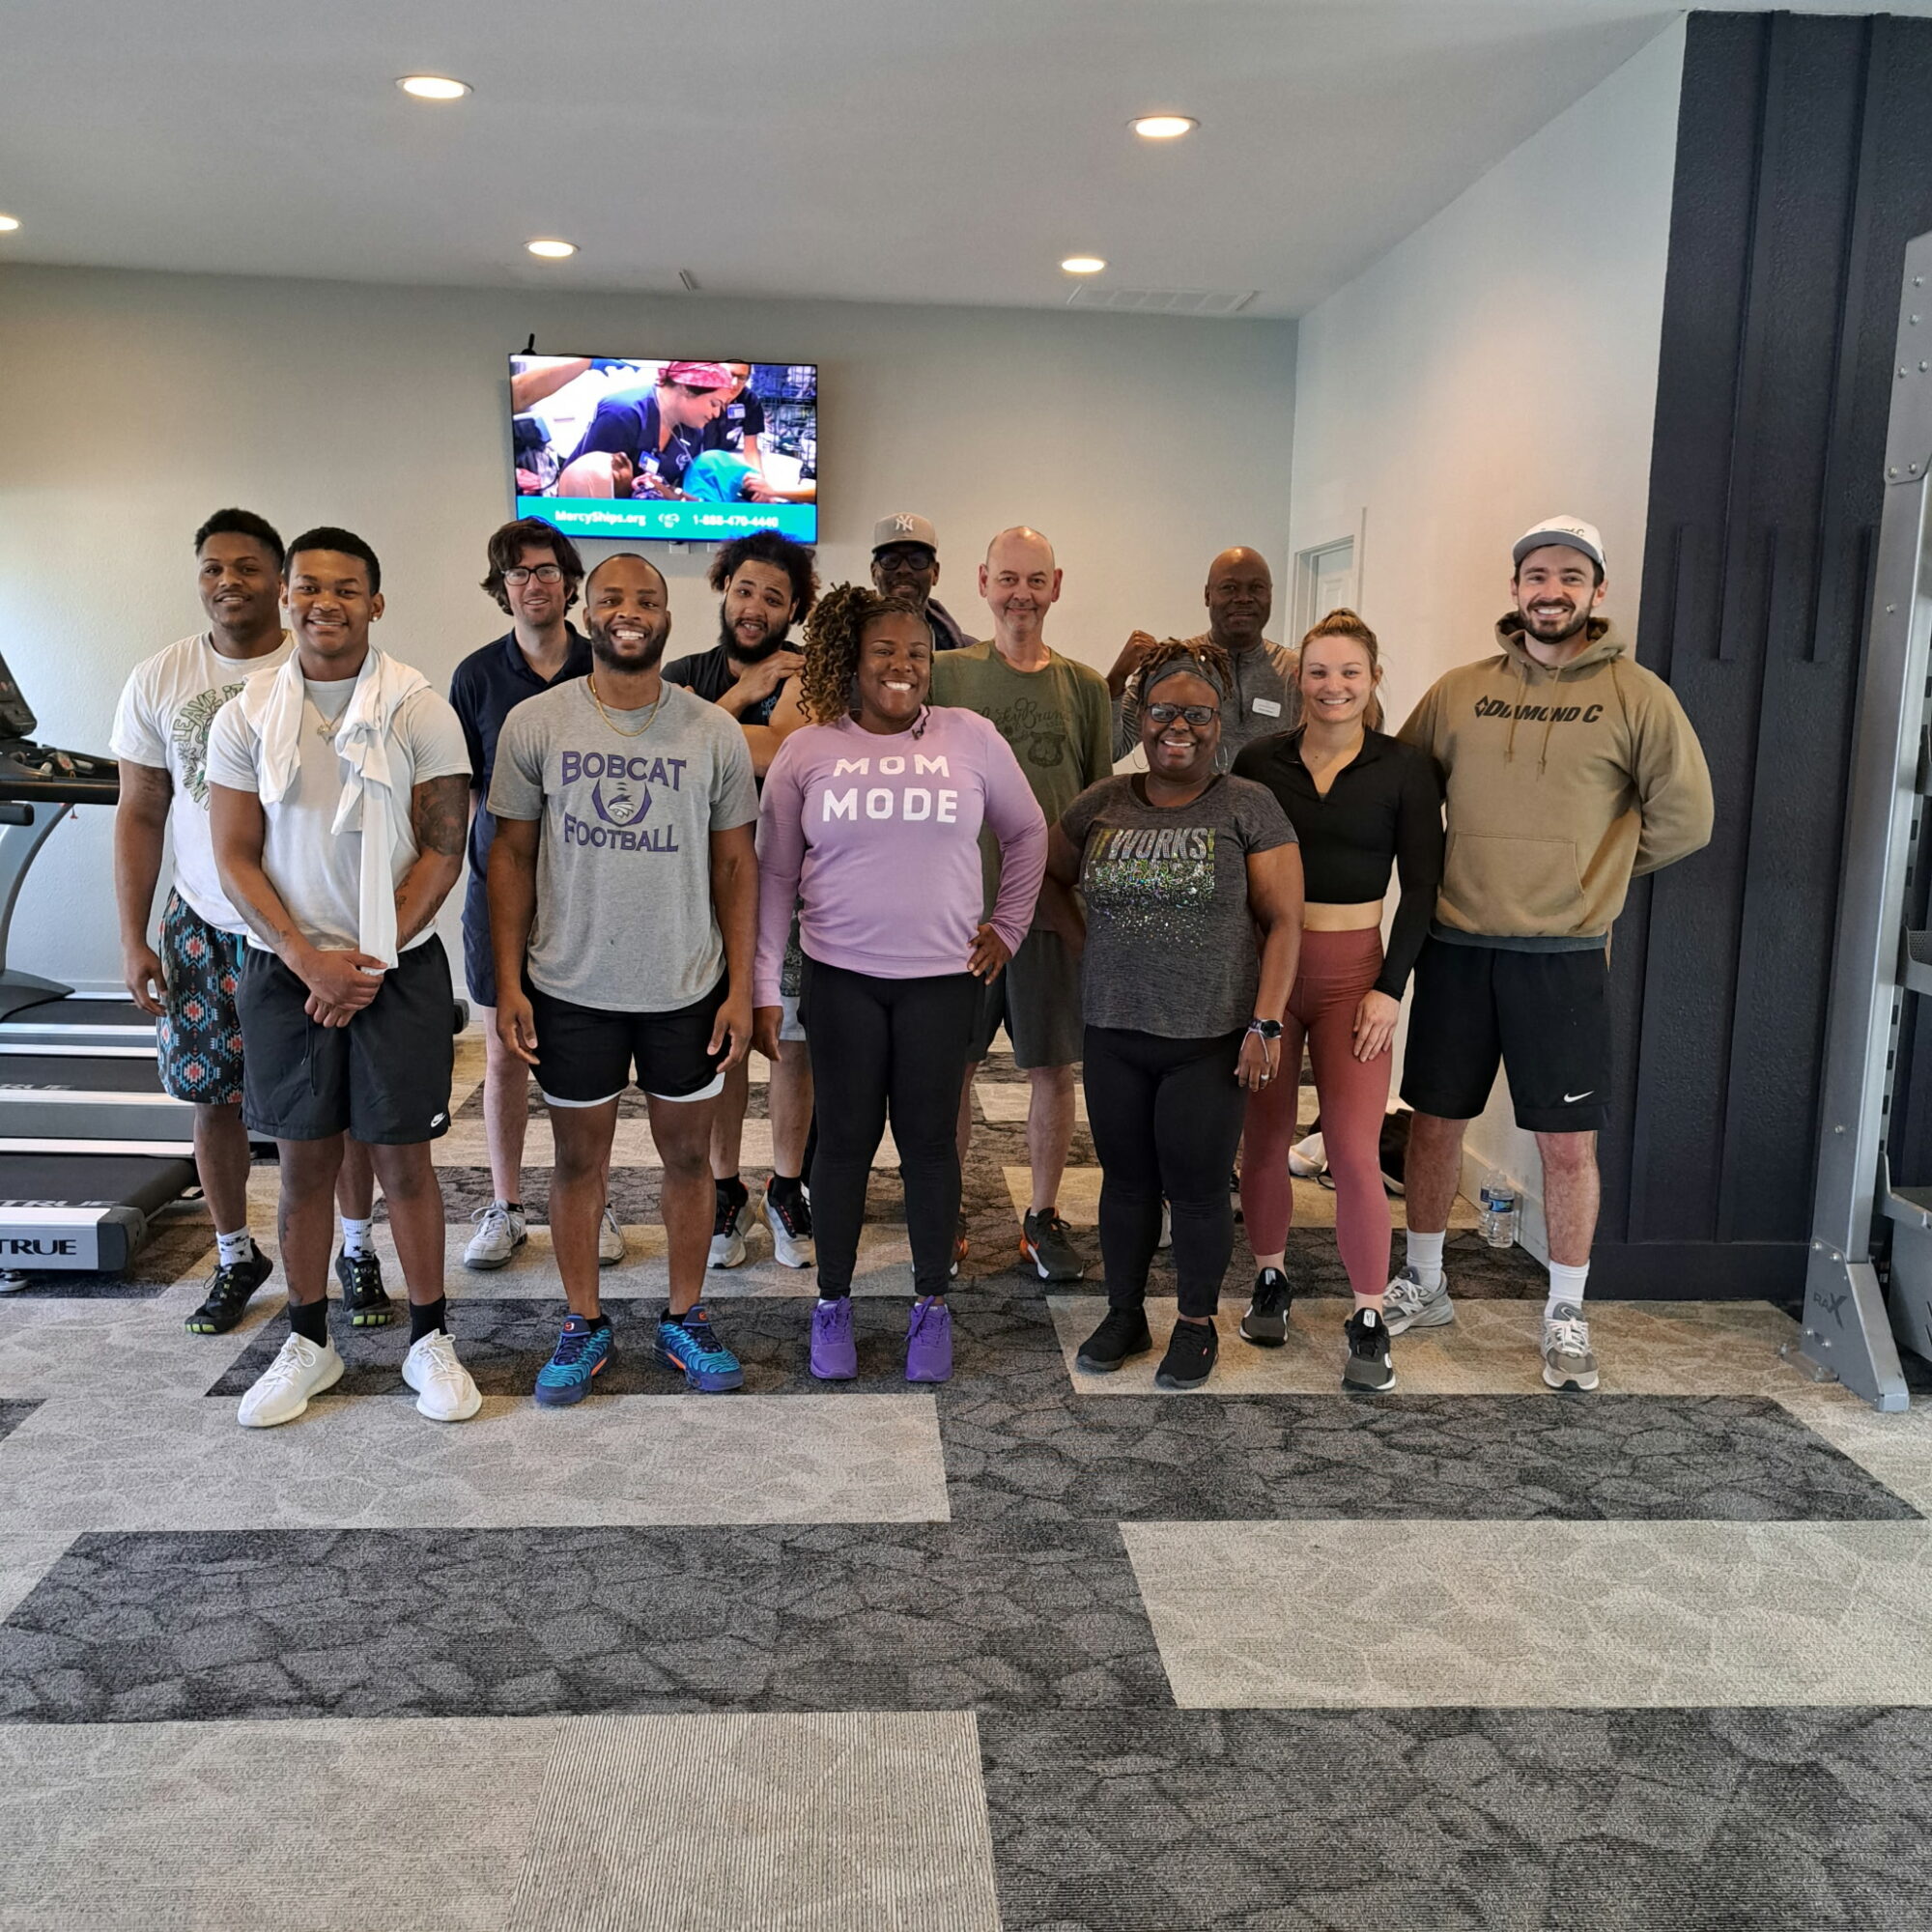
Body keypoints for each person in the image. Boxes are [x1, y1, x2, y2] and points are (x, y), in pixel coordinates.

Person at [1390, 517, 1714, 1391]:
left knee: (1567, 1147)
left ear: (1596, 592)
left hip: (1562, 957)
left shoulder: (1638, 696)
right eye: (1537, 574)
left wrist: (1592, 879)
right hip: (1456, 946)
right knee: (1433, 1123)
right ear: (1516, 589)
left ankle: (1566, 1310)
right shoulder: (1458, 693)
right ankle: (1424, 1281)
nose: (1552, 590)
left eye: (1571, 576)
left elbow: (1687, 817)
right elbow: (1406, 795)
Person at [207, 526, 480, 1428]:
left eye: (347, 588)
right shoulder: (245, 713)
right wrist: (305, 960)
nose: (326, 601)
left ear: (376, 603)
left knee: (404, 1162)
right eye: (310, 586)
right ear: (287, 595)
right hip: (288, 968)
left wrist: (363, 962)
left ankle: (429, 1339)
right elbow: (235, 857)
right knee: (302, 1169)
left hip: (391, 968)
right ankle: (310, 1340)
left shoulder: (419, 707)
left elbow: (443, 853)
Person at [755, 583, 1046, 1382]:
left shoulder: (971, 738)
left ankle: (929, 1307)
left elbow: (1026, 833)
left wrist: (1008, 928)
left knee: (929, 1149)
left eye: (916, 654)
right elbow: (775, 878)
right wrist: (761, 987)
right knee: (843, 1146)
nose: (902, 667)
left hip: (941, 984)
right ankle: (833, 1303)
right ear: (850, 661)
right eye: (884, 652)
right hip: (840, 979)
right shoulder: (808, 750)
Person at [112, 509, 391, 1337]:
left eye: (246, 568)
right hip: (205, 921)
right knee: (214, 1098)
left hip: (318, 926)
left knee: (342, 1106)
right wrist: (134, 936)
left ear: (281, 581)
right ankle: (236, 1253)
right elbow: (140, 811)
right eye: (210, 568)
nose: (227, 582)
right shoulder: (159, 678)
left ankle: (356, 1248)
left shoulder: (329, 665)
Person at [488, 553, 759, 1404]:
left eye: (647, 600)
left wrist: (742, 990)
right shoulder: (536, 723)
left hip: (686, 985)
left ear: (669, 617)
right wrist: (509, 983)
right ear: (584, 608)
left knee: (689, 1157)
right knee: (579, 1163)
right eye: (612, 598)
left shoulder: (712, 730)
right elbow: (511, 859)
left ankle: (686, 1315)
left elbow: (737, 868)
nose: (629, 611)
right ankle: (582, 1321)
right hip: (571, 984)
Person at [1048, 639, 1302, 1391]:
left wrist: (1266, 1023)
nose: (1177, 727)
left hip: (1210, 1035)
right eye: (1163, 712)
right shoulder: (1103, 801)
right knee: (1124, 1182)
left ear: (1219, 722)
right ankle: (1124, 1313)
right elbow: (1048, 880)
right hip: (1116, 1030)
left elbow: (1285, 921)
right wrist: (1094, 948)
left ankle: (1195, 1324)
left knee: (1193, 1186)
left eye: (1196, 714)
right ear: (1143, 717)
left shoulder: (1247, 805)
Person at [1232, 610, 1443, 1391]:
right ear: (1299, 680)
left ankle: (1367, 1315)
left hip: (1358, 973)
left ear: (1373, 680)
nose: (1334, 686)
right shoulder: (1259, 759)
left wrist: (1392, 989)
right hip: (1272, 973)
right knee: (1265, 1139)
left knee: (1353, 1151)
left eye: (1350, 672)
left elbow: (1422, 889)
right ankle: (1271, 1278)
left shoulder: (1404, 768)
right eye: (1319, 672)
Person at [930, 526, 1112, 1281]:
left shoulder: (1085, 686)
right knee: (954, 1071)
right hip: (958, 914)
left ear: (1057, 585)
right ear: (981, 582)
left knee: (1051, 1070)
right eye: (1008, 579)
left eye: (1035, 580)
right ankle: (942, 1211)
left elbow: (1099, 808)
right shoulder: (946, 674)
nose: (1021, 595)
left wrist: (1090, 916)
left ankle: (1042, 1216)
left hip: (1048, 915)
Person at [449, 519, 627, 1273]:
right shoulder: (477, 677)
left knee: (593, 1058)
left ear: (569, 581)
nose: (535, 583)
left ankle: (597, 1199)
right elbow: (458, 797)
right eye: (519, 574)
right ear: (502, 589)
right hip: (503, 895)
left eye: (548, 570)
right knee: (506, 1050)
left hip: (593, 895)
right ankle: (507, 1204)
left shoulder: (609, 665)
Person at [664, 530, 820, 1272]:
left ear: (795, 610)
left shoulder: (809, 671)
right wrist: (746, 698)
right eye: (746, 590)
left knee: (790, 1040)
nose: (757, 607)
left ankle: (787, 1186)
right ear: (723, 587)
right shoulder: (681, 672)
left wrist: (710, 722)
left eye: (775, 597)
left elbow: (787, 752)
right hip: (703, 885)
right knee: (721, 1042)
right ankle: (726, 1190)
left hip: (791, 883)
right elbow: (665, 758)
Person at [1108, 548, 1299, 768]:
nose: (1244, 598)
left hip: (1271, 803)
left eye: (1256, 588)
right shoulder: (1171, 665)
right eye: (1229, 588)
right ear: (1207, 595)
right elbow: (1112, 748)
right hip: (1186, 802)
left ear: (1270, 595)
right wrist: (1117, 678)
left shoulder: (1295, 674)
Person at [567, 362, 734, 497]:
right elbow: (584, 485)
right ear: (686, 388)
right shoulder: (622, 414)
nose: (717, 413)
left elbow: (680, 492)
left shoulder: (693, 431)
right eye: (714, 404)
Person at [870, 513, 972, 652]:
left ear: (935, 573)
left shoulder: (968, 657)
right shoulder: (841, 652)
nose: (904, 569)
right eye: (891, 560)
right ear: (874, 572)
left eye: (917, 560)